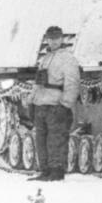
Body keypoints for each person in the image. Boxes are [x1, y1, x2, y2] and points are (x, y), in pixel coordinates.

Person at [28, 26, 81, 182]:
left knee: (56, 139)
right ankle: (45, 170)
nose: (53, 41)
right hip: (41, 104)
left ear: (62, 39)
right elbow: (38, 82)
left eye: (56, 38)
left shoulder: (67, 58)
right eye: (50, 38)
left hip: (56, 104)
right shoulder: (45, 58)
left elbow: (72, 83)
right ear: (47, 39)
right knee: (41, 139)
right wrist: (31, 100)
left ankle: (56, 171)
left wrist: (65, 104)